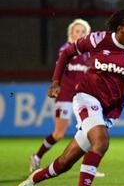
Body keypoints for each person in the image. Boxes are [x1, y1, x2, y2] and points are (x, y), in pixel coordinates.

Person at [14, 9, 124, 186]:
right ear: (120, 28)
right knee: (101, 142)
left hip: (111, 108)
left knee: (65, 162)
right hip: (87, 97)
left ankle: (34, 178)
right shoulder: (98, 39)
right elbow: (67, 53)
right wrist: (56, 82)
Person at [29, 19, 105, 177]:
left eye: (83, 32)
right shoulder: (66, 49)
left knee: (90, 131)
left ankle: (89, 166)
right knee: (59, 133)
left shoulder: (90, 53)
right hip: (65, 96)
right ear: (71, 33)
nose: (80, 34)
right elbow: (61, 66)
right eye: (77, 31)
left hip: (83, 97)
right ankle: (37, 157)